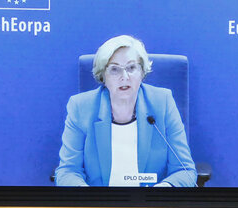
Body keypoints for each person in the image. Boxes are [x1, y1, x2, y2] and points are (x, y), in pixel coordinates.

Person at [55, 35, 196, 187]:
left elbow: (185, 170)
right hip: (100, 206)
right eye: (115, 69)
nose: (124, 77)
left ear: (142, 72)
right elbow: (68, 171)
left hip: (150, 205)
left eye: (131, 68)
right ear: (103, 75)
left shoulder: (162, 102)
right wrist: (90, 198)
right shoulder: (81, 107)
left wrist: (161, 191)